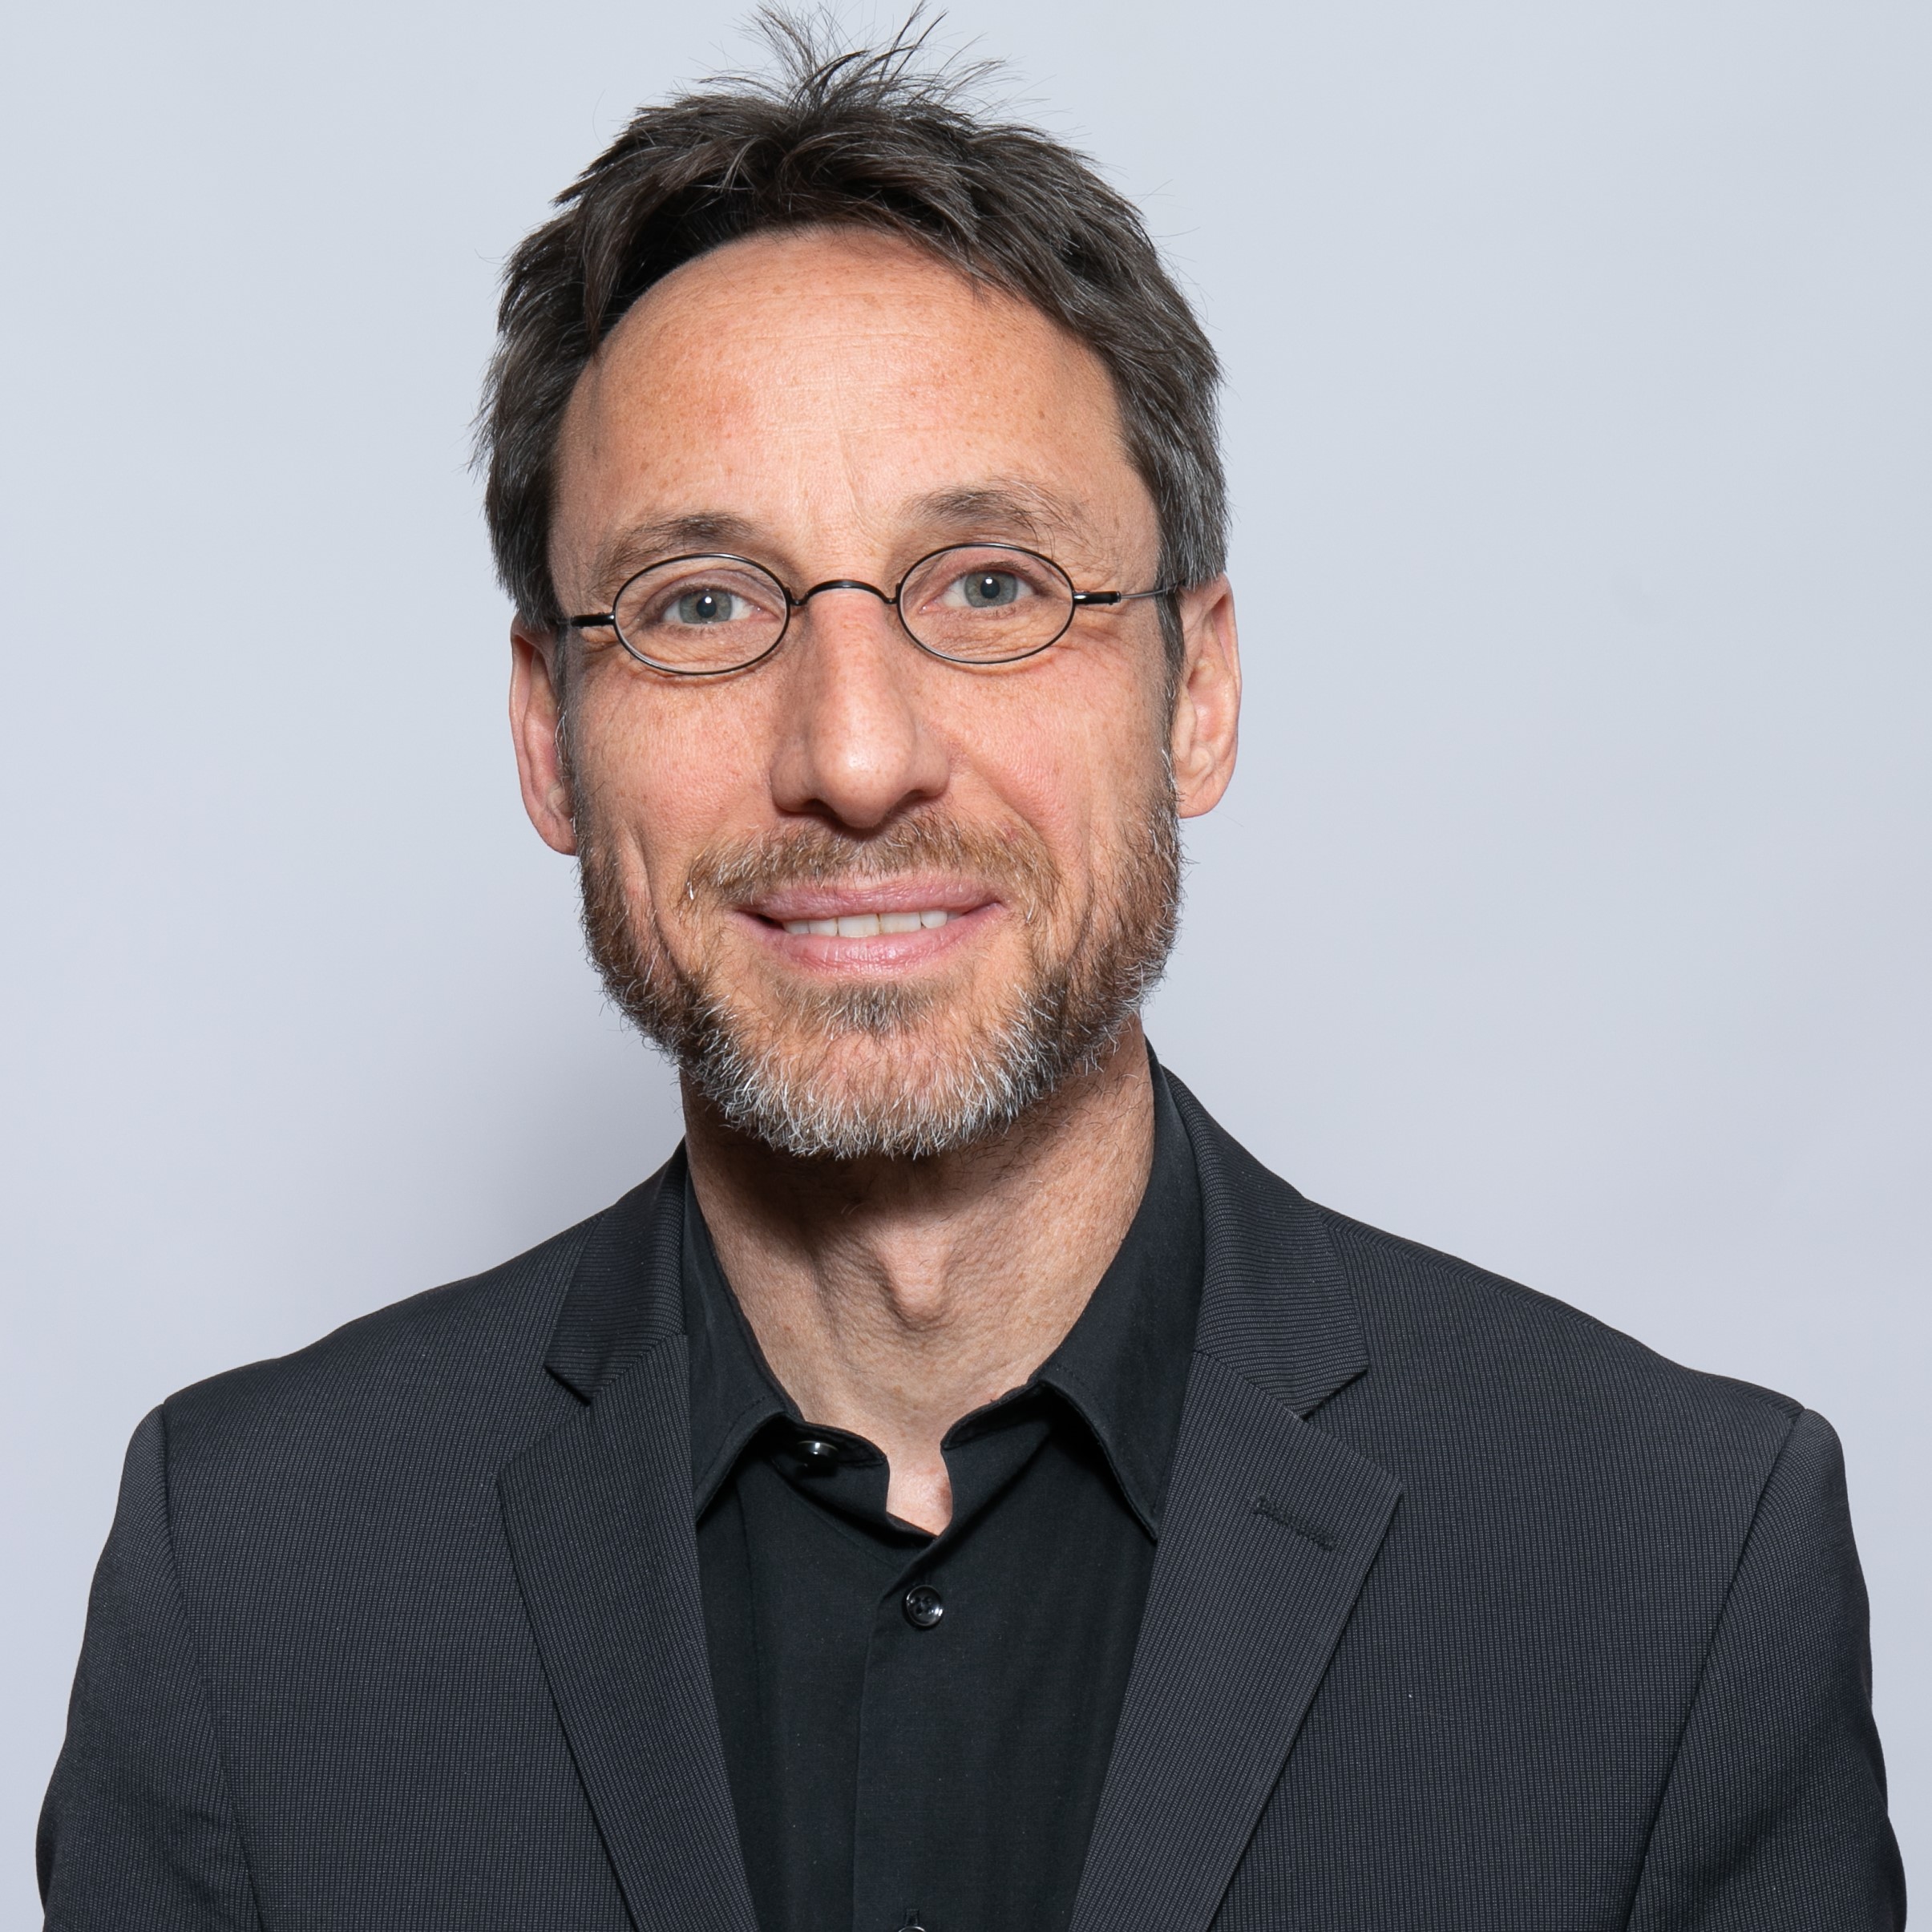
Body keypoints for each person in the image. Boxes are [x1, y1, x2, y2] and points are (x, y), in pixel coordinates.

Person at [37, 20, 1904, 1932]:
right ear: (550, 738)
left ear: (1197, 690)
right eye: (701, 604)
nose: (854, 756)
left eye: (990, 585)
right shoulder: (247, 1573)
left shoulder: (1670, 1565)